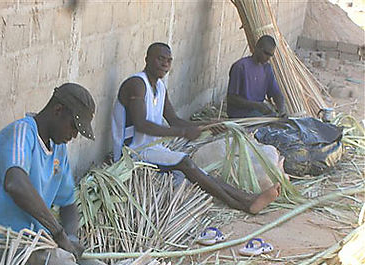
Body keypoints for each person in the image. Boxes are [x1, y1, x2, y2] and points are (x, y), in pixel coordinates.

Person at [112, 42, 280, 214]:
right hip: (131, 154)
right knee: (186, 163)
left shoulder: (160, 88)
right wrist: (183, 132)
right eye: (160, 59)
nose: (165, 64)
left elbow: (174, 120)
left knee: (200, 172)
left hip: (151, 149)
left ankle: (247, 198)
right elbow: (142, 124)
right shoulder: (136, 84)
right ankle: (241, 204)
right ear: (147, 59)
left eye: (169, 61)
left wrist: (206, 126)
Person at [0, 83, 107, 265]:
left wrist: (70, 239)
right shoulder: (21, 134)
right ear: (58, 110)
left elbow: (68, 205)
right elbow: (15, 183)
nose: (73, 136)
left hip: (33, 246)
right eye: (74, 127)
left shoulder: (58, 149)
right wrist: (58, 233)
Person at [227, 35, 287, 118]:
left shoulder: (267, 68)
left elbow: (276, 93)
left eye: (271, 55)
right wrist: (256, 105)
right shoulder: (240, 67)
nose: (268, 58)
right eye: (266, 53)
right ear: (257, 48)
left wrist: (282, 110)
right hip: (241, 115)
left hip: (257, 113)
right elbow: (231, 98)